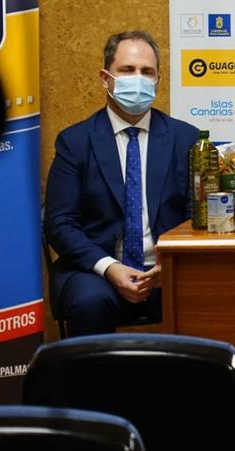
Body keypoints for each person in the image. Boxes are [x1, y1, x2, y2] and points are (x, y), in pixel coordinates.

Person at [44, 31, 198, 336]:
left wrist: (172, 262)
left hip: (168, 269)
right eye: (127, 70)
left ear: (158, 79)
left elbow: (201, 216)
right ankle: (95, 385)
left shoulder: (186, 139)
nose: (138, 79)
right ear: (106, 78)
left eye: (147, 72)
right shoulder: (75, 142)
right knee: (89, 303)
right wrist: (109, 268)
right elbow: (59, 224)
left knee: (222, 294)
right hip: (96, 271)